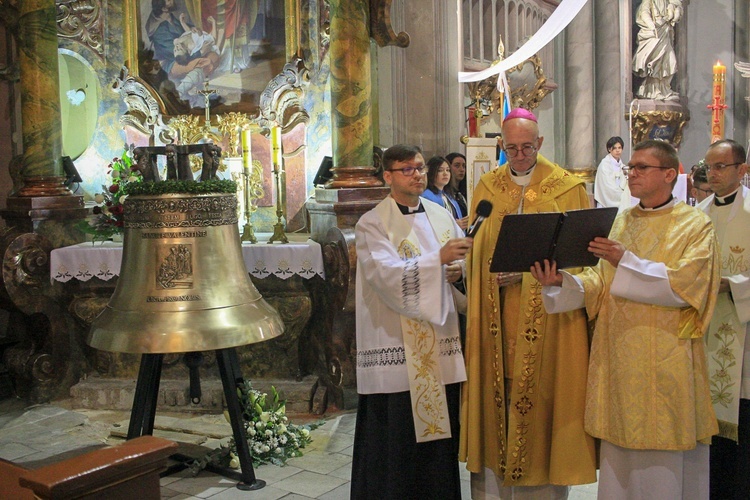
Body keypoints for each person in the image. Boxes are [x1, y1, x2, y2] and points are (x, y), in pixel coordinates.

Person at [532, 139, 720, 498]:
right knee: (620, 468)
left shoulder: (695, 226)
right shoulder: (619, 223)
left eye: (640, 168)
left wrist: (627, 261)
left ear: (669, 174)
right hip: (619, 359)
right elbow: (601, 283)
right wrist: (562, 282)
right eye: (630, 167)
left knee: (662, 469)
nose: (631, 174)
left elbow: (686, 286)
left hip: (666, 359)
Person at [459, 107, 596, 498]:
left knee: (545, 401)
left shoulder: (567, 188)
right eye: (512, 148)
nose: (519, 155)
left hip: (549, 323)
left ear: (540, 143)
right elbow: (477, 245)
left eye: (526, 147)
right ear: (501, 146)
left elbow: (581, 257)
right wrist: (482, 267)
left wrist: (525, 275)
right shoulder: (487, 185)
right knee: (499, 397)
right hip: (498, 320)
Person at [350, 144, 472, 499]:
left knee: (438, 450)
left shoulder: (440, 215)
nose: (418, 174)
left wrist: (457, 271)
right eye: (408, 169)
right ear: (388, 176)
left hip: (439, 347)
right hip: (397, 350)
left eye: (420, 168)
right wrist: (438, 262)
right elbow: (386, 278)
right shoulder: (372, 223)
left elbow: (462, 265)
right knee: (396, 447)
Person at [695, 139, 750, 499]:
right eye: (709, 166)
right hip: (704, 329)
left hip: (744, 333)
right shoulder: (697, 214)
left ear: (742, 170)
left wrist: (737, 286)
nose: (712, 174)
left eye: (720, 167)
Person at [632, 0, 683, 100]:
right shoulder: (649, 1)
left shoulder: (669, 2)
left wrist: (676, 10)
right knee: (655, 64)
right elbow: (644, 13)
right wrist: (651, 25)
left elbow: (676, 14)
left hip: (665, 34)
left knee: (670, 63)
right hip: (654, 35)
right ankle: (652, 91)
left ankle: (665, 89)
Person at [422, 156, 465, 227]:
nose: (445, 173)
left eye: (448, 170)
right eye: (440, 170)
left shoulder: (448, 195)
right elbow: (430, 224)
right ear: (431, 172)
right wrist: (454, 226)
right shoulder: (426, 196)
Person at [594, 136, 631, 211]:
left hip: (621, 197)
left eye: (619, 148)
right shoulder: (604, 165)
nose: (617, 150)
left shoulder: (623, 166)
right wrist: (621, 195)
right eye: (615, 148)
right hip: (608, 201)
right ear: (609, 149)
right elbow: (606, 186)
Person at [445, 152, 469, 220]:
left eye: (464, 166)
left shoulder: (462, 194)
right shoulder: (443, 194)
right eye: (457, 165)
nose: (462, 169)